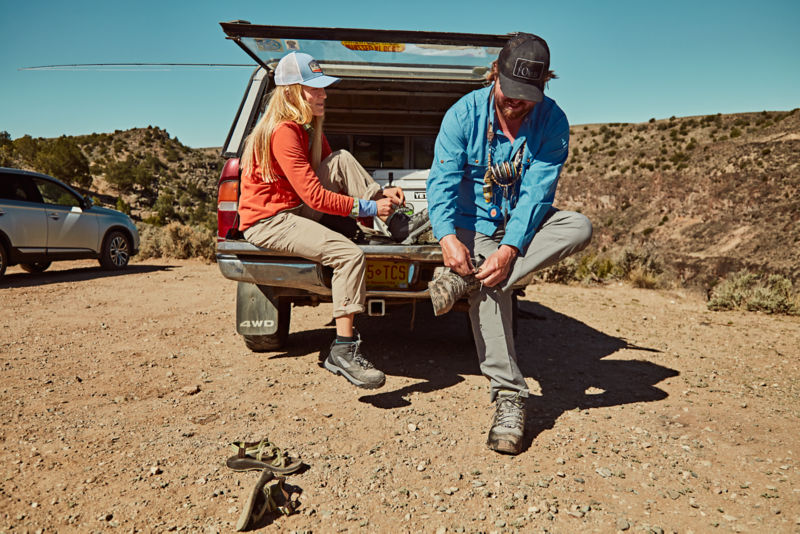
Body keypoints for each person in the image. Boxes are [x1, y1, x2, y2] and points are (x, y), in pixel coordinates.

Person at [426, 33, 593, 454]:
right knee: (493, 283)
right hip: (472, 223)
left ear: (543, 85)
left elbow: (538, 194)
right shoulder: (462, 115)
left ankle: (472, 280)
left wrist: (510, 249)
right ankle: (509, 395)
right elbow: (442, 183)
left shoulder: (553, 122)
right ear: (495, 73)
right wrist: (447, 237)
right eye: (509, 92)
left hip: (521, 226)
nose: (515, 103)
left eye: (526, 96)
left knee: (578, 227)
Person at [238, 51, 426, 389]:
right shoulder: (283, 132)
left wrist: (381, 197)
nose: (324, 94)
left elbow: (335, 175)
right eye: (315, 89)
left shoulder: (309, 129)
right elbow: (316, 198)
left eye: (324, 88)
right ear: (292, 92)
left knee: (340, 158)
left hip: (294, 209)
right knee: (348, 255)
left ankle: (398, 222)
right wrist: (369, 210)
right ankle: (342, 350)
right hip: (270, 221)